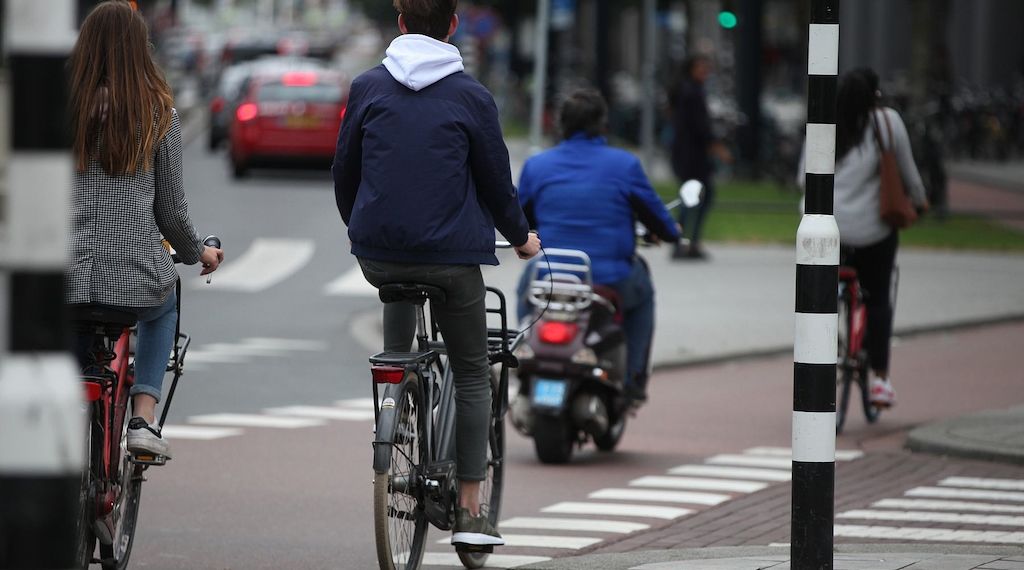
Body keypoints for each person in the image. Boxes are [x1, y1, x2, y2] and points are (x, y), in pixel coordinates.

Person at [332, 0, 541, 548]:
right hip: (451, 260)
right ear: (452, 26)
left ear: (400, 24)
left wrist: (362, 227)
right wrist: (521, 239)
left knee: (395, 352)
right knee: (473, 371)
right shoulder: (472, 97)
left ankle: (396, 407)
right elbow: (497, 182)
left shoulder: (368, 88)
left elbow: (344, 171)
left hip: (379, 253)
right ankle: (471, 510)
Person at [66, 1, 223, 459]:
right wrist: (198, 253)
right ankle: (143, 418)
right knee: (165, 298)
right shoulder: (159, 115)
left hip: (64, 275)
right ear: (140, 51)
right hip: (133, 276)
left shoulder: (56, 113)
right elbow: (170, 211)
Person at [516, 87, 680, 404]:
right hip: (609, 277)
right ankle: (633, 379)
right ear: (603, 125)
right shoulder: (624, 165)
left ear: (561, 125)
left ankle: (523, 353)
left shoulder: (538, 166)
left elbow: (520, 220)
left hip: (552, 276)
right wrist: (670, 232)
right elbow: (656, 216)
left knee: (526, 289)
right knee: (643, 295)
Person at [798, 67, 929, 407]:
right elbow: (908, 172)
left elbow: (803, 177)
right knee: (879, 296)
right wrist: (920, 201)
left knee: (820, 296)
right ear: (876, 95)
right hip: (872, 233)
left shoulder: (823, 122)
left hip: (826, 231)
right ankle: (881, 379)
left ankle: (823, 355)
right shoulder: (887, 123)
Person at [668, 54, 731, 260]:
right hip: (692, 156)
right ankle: (685, 242)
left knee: (694, 197)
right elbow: (700, 127)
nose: (705, 72)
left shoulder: (687, 90)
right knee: (694, 198)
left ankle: (686, 242)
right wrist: (717, 147)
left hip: (686, 153)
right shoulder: (692, 93)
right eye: (701, 68)